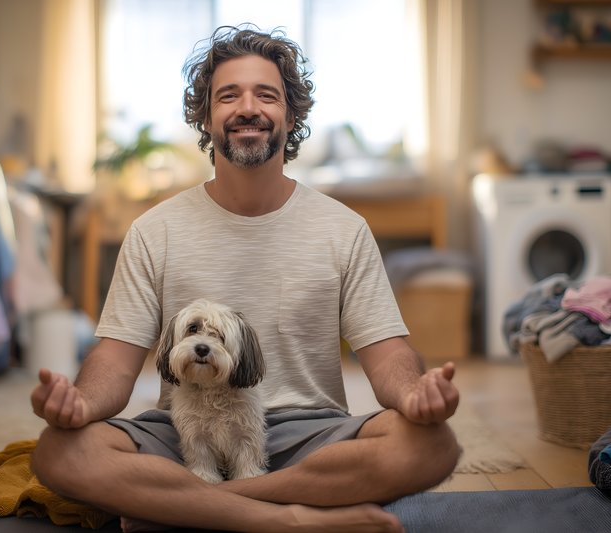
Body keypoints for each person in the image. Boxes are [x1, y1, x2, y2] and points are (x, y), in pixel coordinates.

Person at [30, 25, 460, 533]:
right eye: (228, 95)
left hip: (310, 433)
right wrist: (78, 402)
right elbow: (115, 364)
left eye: (267, 95)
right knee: (60, 452)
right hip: (187, 428)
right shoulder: (153, 230)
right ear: (207, 117)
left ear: (291, 115)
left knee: (432, 444)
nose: (247, 108)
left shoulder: (344, 229)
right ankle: (291, 519)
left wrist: (414, 393)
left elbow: (388, 355)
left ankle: (193, 509)